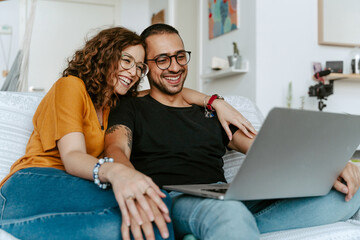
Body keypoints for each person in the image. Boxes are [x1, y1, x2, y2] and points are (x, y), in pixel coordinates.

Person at [104, 23, 360, 240]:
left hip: (228, 194)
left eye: (180, 56)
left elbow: (268, 149)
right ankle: (229, 225)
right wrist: (129, 179)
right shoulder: (131, 106)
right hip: (177, 197)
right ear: (146, 67)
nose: (174, 67)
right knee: (230, 213)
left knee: (353, 189)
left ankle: (230, 229)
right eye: (162, 59)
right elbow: (116, 149)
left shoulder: (214, 112)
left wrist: (333, 164)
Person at [0, 26, 255, 240]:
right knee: (156, 202)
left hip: (77, 187)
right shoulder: (71, 87)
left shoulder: (115, 103)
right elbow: (73, 156)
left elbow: (167, 92)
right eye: (126, 61)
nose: (133, 72)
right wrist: (118, 172)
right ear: (105, 56)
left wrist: (214, 101)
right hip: (35, 181)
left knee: (150, 218)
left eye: (140, 67)